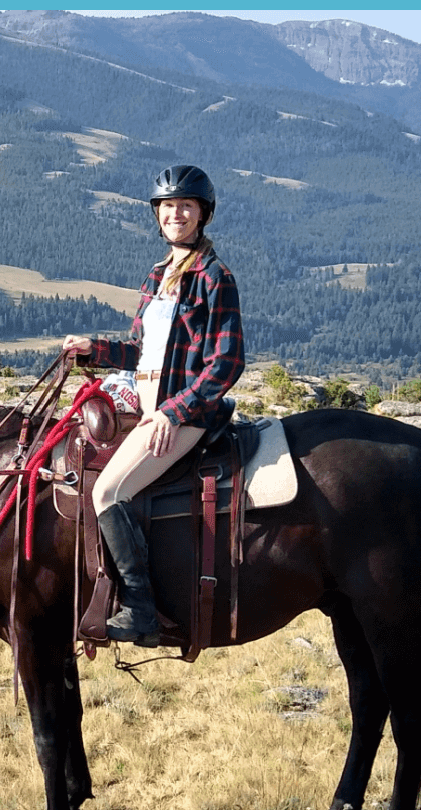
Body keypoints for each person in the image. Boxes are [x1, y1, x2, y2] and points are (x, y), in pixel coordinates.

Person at [62, 164, 244, 647]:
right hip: (149, 409)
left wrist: (173, 412)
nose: (175, 214)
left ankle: (140, 610)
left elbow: (226, 362)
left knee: (108, 493)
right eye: (167, 207)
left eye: (185, 206)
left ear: (203, 214)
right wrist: (94, 350)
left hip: (185, 417)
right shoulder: (159, 276)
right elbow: (141, 351)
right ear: (157, 215)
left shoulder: (213, 277)